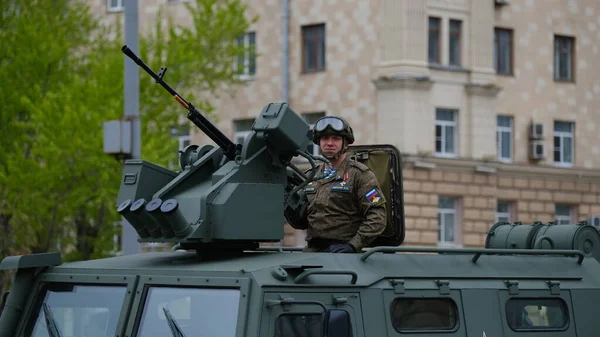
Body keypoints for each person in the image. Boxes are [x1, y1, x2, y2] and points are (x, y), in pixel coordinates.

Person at [284, 116, 387, 253]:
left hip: (344, 253)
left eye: (336, 139)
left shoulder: (360, 175)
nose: (330, 143)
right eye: (325, 139)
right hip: (313, 251)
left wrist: (353, 245)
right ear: (319, 142)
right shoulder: (310, 176)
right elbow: (300, 223)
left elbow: (377, 216)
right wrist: (288, 204)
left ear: (346, 143)